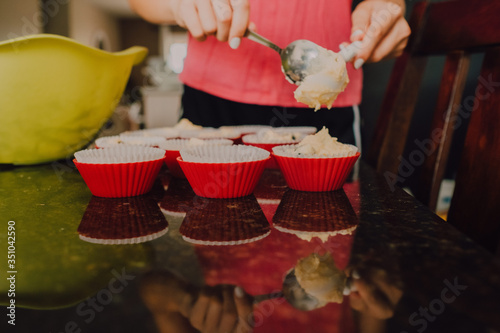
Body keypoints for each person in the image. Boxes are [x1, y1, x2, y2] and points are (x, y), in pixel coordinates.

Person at [128, 0, 410, 147]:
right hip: (211, 105)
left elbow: (385, 1)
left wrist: (386, 8)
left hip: (327, 112)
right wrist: (179, 4)